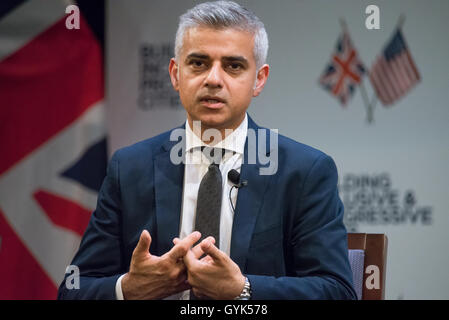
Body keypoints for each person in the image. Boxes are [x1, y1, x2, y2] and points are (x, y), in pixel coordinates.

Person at [58, 1, 357, 300]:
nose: (213, 79)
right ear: (176, 74)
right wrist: (129, 289)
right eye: (198, 63)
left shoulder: (304, 172)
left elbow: (337, 292)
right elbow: (73, 290)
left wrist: (244, 292)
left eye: (233, 66)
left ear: (259, 79)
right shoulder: (129, 168)